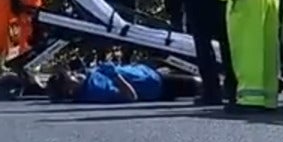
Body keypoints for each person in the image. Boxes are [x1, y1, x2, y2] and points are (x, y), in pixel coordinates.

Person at [46, 61, 199, 103]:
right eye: (70, 77)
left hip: (148, 70)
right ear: (69, 90)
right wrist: (115, 76)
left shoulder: (87, 78)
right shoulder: (96, 90)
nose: (74, 74)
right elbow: (130, 96)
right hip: (157, 85)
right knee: (200, 83)